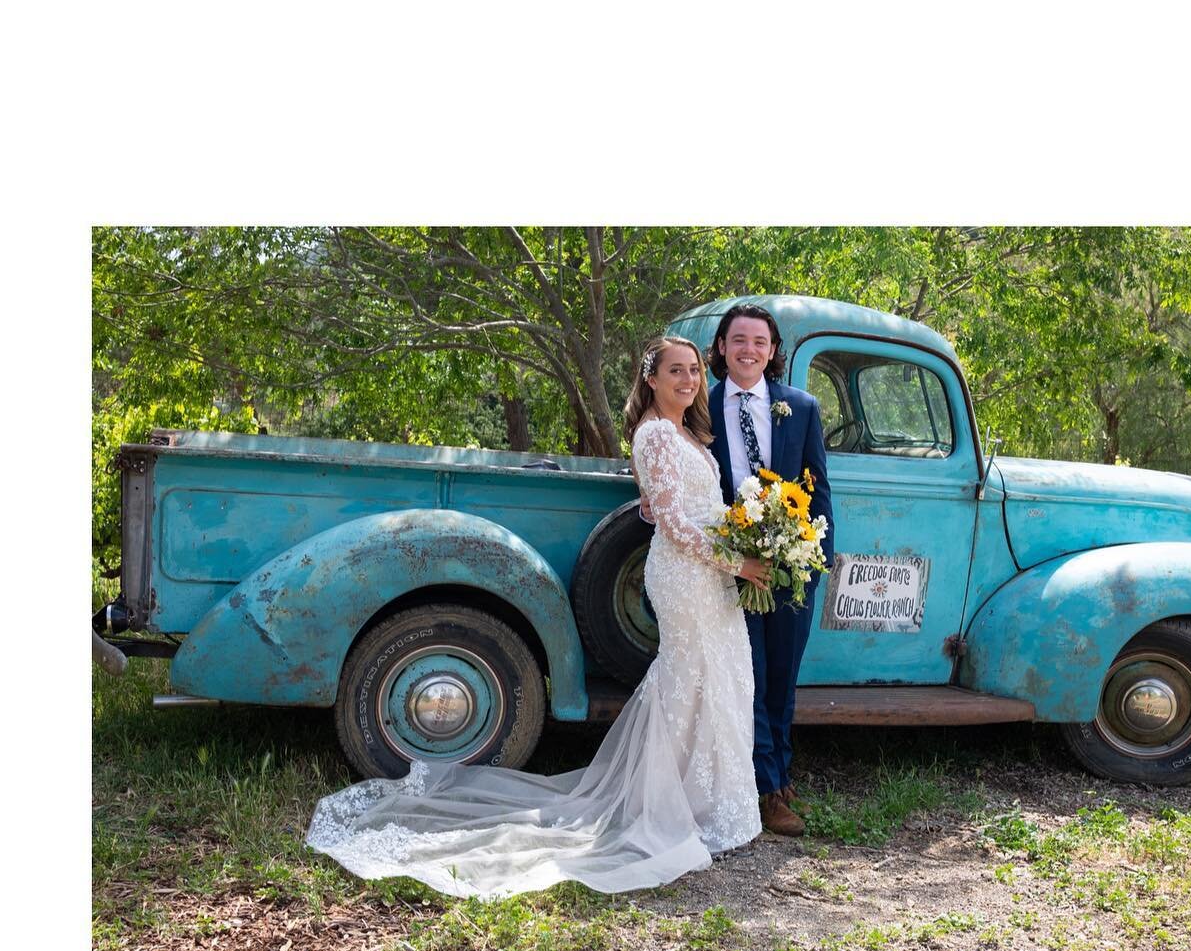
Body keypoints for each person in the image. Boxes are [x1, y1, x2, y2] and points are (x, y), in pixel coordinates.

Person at [305, 337, 771, 901]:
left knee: (713, 681)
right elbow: (670, 524)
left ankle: (707, 803)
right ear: (651, 379)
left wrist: (744, 538)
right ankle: (662, 807)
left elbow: (661, 506)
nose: (688, 380)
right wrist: (738, 560)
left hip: (710, 576)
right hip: (687, 574)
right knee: (686, 681)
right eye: (676, 370)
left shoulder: (689, 435)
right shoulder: (654, 433)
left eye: (694, 370)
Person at [704, 302, 834, 837]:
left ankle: (781, 770)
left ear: (773, 350)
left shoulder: (800, 407)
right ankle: (765, 790)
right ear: (721, 348)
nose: (748, 350)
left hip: (789, 567)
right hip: (728, 567)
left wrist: (812, 562)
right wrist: (732, 555)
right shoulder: (699, 409)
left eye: (759, 341)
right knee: (748, 678)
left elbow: (819, 488)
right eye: (738, 340)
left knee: (782, 676)